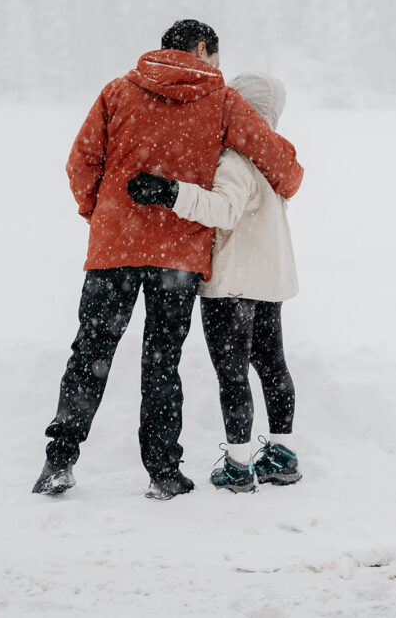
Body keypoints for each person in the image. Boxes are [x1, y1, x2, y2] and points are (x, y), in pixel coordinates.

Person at [33, 21, 304, 500]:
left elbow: (81, 162)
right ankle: (162, 472)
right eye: (215, 60)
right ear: (203, 49)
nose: (216, 69)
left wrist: (101, 215)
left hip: (113, 249)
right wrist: (290, 177)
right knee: (161, 362)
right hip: (177, 255)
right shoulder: (220, 99)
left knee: (90, 354)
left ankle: (59, 461)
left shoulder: (117, 91)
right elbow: (279, 164)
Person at [128, 72, 301, 494]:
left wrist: (170, 192)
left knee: (233, 374)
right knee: (272, 365)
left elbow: (223, 210)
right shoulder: (274, 158)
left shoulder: (237, 157)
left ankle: (238, 467)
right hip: (269, 279)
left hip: (231, 285)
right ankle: (282, 455)